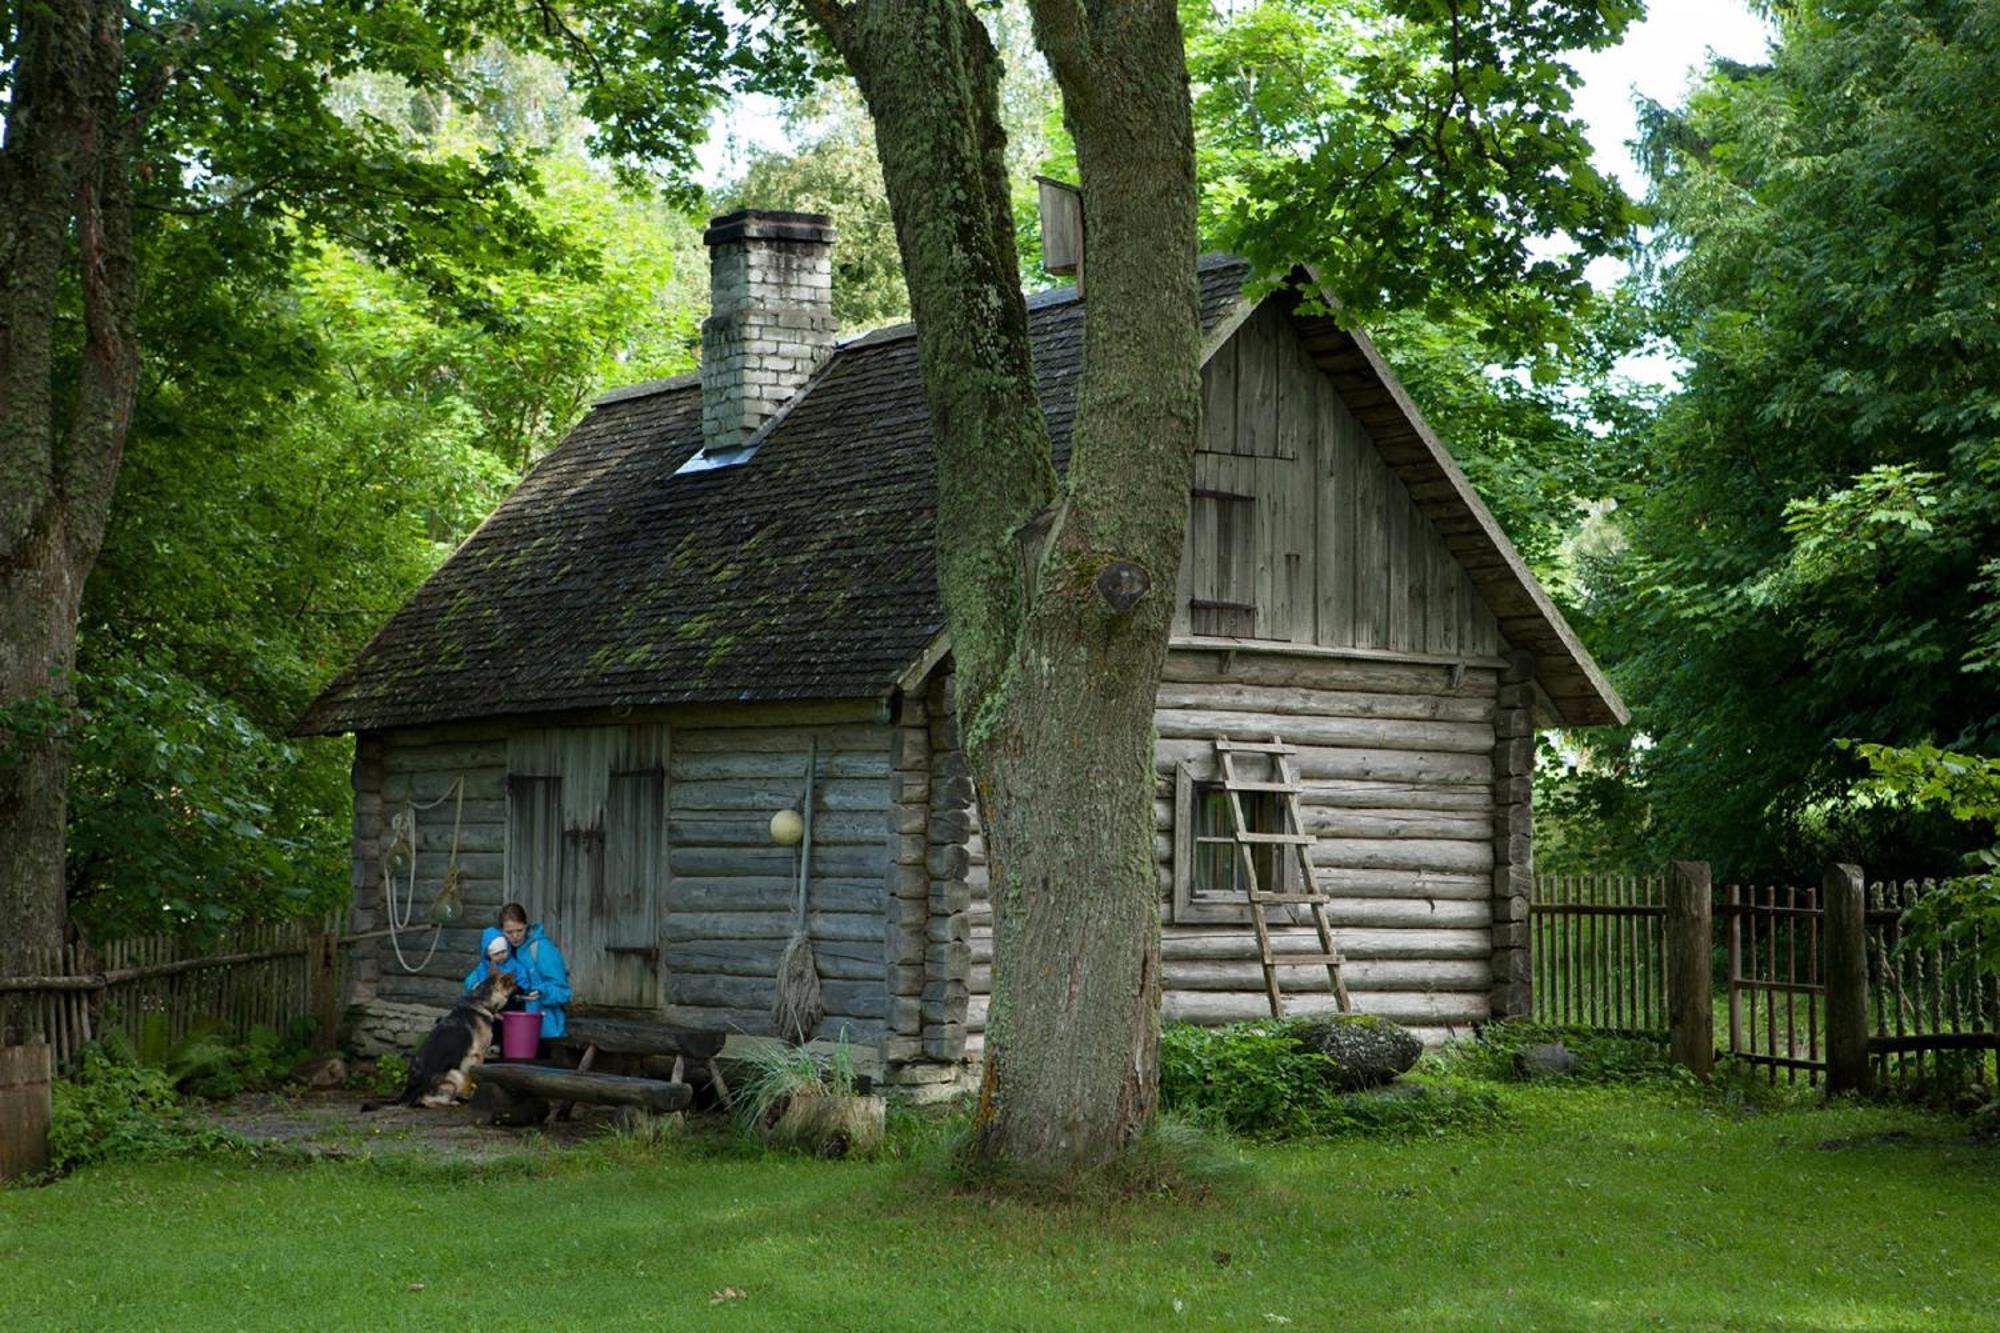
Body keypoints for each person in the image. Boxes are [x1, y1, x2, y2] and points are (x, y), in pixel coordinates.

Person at [488, 902, 570, 1044]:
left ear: (526, 925)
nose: (515, 936)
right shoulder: (501, 950)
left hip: (542, 1029)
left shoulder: (542, 948)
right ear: (502, 930)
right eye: (509, 932)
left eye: (519, 930)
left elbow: (563, 992)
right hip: (511, 1024)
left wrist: (542, 991)